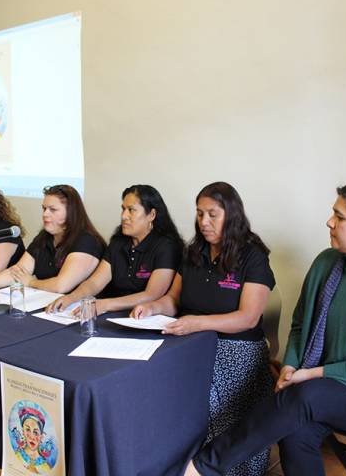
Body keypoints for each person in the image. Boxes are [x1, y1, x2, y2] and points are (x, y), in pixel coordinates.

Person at [184, 180, 346, 476]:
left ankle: (204, 466)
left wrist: (310, 374)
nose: (329, 222)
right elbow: (301, 324)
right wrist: (290, 365)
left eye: (340, 217)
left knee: (305, 396)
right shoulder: (326, 263)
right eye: (333, 213)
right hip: (325, 388)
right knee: (295, 430)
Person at [131, 182, 275, 476]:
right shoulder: (193, 251)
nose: (204, 222)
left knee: (199, 400)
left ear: (231, 215)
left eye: (213, 214)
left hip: (237, 349)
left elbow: (248, 317)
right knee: (149, 385)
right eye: (199, 214)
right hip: (190, 342)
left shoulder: (252, 255)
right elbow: (173, 299)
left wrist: (198, 323)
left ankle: (210, 468)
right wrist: (154, 308)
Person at [46, 184, 182, 316]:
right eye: (123, 209)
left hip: (146, 317)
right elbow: (94, 283)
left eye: (131, 210)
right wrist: (71, 298)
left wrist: (105, 305)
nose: (124, 216)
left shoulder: (166, 246)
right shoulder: (119, 242)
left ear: (152, 215)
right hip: (114, 314)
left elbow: (152, 294)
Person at [0, 185, 105, 293]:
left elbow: (61, 286)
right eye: (44, 209)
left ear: (71, 212)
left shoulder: (87, 241)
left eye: (53, 210)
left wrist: (30, 282)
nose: (45, 214)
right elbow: (18, 272)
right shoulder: (44, 237)